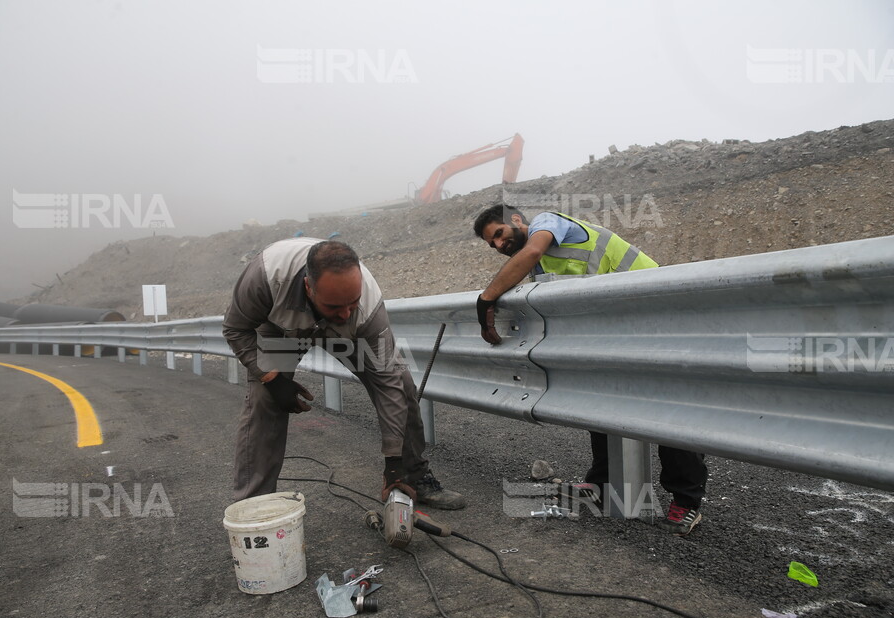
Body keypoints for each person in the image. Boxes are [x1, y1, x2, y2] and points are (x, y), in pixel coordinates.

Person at [472, 205, 706, 535]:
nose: (497, 246)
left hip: (657, 315)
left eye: (498, 234)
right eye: (490, 244)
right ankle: (603, 484)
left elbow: (534, 249)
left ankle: (686, 499)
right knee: (599, 401)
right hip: (621, 328)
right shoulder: (539, 264)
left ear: (516, 220)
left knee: (668, 408)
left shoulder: (546, 224)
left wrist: (487, 299)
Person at [223, 237, 466, 510]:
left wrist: (393, 463)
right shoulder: (266, 276)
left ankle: (411, 476)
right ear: (308, 287)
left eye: (352, 302)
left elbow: (388, 384)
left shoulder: (366, 308)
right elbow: (235, 329)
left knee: (402, 384)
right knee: (263, 399)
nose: (344, 313)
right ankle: (254, 505)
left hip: (350, 335)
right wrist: (273, 379)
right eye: (333, 306)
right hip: (282, 330)